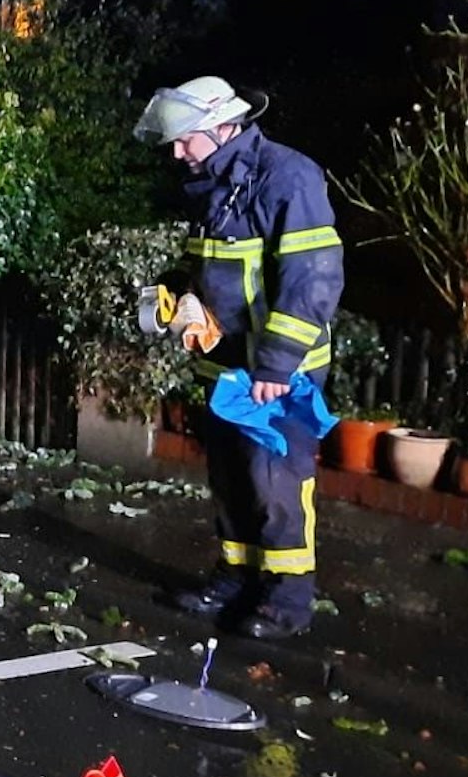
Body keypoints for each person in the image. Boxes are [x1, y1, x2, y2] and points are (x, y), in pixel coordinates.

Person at [135, 77, 345, 640]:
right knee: (230, 476)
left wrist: (277, 367)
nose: (177, 153)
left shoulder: (288, 177)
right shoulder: (214, 184)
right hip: (226, 366)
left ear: (225, 127)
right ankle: (238, 577)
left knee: (275, 477)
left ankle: (287, 599)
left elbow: (312, 281)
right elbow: (214, 270)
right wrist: (176, 293)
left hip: (278, 371)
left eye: (186, 141)